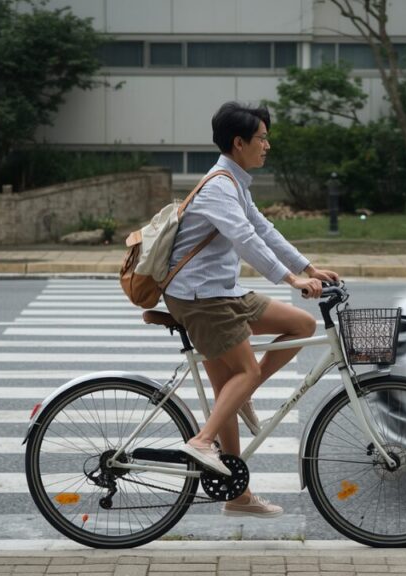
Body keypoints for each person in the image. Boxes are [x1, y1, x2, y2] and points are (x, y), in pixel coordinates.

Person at [163, 101, 339, 518]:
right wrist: (291, 280)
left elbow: (264, 229)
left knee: (300, 323)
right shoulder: (219, 186)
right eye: (261, 138)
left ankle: (235, 494)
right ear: (238, 143)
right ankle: (202, 441)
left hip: (222, 292)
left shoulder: (235, 182)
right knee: (243, 373)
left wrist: (308, 267)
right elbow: (245, 240)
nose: (268, 144)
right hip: (201, 297)